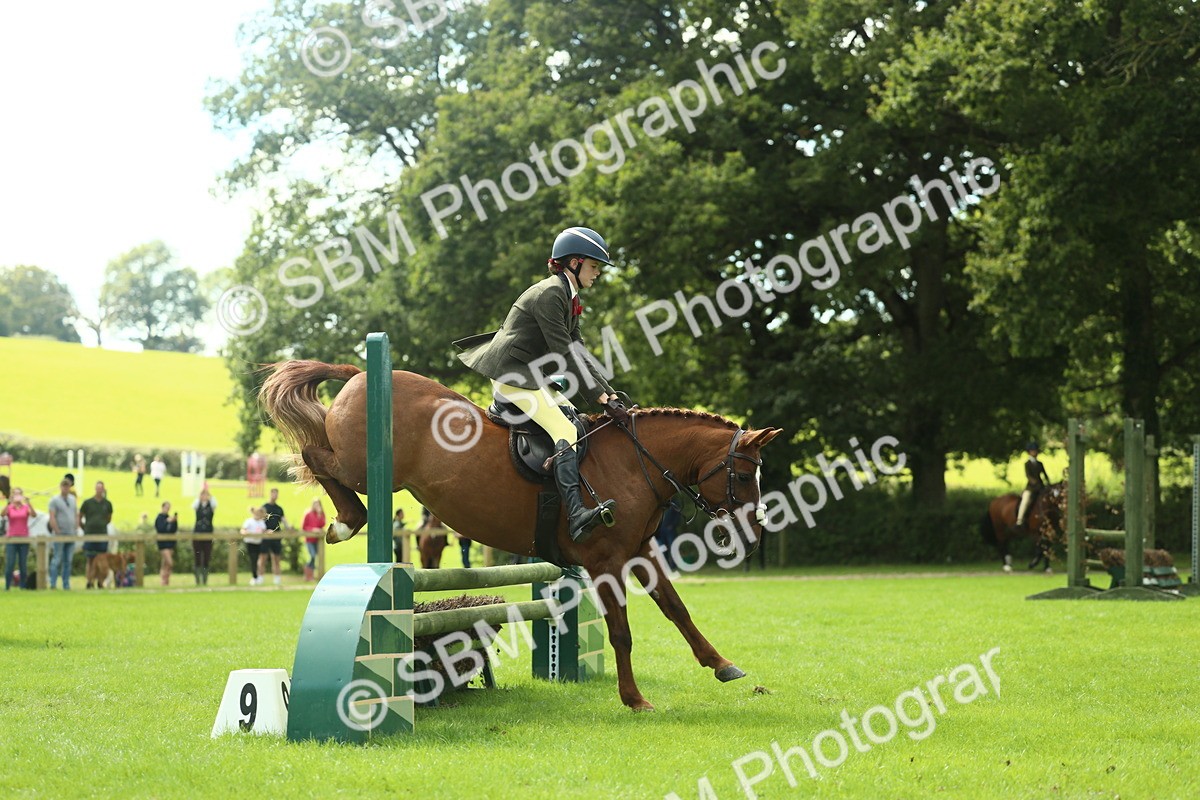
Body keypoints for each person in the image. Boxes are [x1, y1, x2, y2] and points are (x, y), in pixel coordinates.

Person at [454, 226, 628, 543]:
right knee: (565, 431)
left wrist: (610, 393)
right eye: (594, 266)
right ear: (574, 263)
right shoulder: (550, 294)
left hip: (531, 374)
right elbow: (564, 352)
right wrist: (600, 397)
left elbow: (580, 352)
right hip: (513, 375)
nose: (598, 274)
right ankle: (576, 516)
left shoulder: (567, 296)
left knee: (575, 418)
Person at [47, 479, 79, 590]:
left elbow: (76, 514)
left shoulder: (73, 499)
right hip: (60, 534)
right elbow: (52, 516)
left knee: (68, 561)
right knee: (57, 559)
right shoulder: (54, 500)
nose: (66, 488)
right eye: (64, 486)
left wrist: (76, 527)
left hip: (71, 533)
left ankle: (66, 584)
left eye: (67, 486)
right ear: (60, 487)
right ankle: (53, 583)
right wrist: (57, 530)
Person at [79, 481, 112, 589]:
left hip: (102, 534)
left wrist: (102, 525)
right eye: (97, 488)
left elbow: (109, 518)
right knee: (90, 559)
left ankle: (100, 581)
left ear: (103, 489)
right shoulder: (87, 503)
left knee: (102, 559)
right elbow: (80, 516)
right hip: (90, 534)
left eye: (101, 488)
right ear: (95, 489)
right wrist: (85, 528)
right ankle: (89, 581)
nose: (99, 490)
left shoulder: (107, 504)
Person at [3, 488, 37, 590]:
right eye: (15, 494)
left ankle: (23, 586)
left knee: (23, 564)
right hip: (11, 539)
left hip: (23, 538)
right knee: (10, 563)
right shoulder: (10, 508)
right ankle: (7, 586)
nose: (17, 496)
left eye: (19, 494)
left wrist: (28, 502)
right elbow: (2, 514)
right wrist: (9, 503)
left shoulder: (25, 507)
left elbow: (34, 515)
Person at [1015, 440, 1052, 529]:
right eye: (1033, 451)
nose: (1035, 452)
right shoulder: (1027, 464)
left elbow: (1044, 474)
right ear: (1029, 452)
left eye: (1036, 451)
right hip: (1031, 487)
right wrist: (1035, 482)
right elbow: (1028, 476)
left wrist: (1048, 483)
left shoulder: (1040, 463)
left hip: (1041, 486)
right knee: (1026, 499)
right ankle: (1020, 520)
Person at [260, 488, 288, 586]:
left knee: (276, 558)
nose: (275, 496)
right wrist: (265, 531)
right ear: (270, 494)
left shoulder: (279, 509)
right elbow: (260, 521)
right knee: (263, 557)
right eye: (273, 494)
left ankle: (277, 579)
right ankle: (260, 578)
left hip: (276, 536)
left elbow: (284, 520)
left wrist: (289, 527)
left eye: (276, 494)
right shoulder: (264, 507)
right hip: (266, 536)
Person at [192, 489, 217, 586]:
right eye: (203, 495)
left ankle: (205, 579)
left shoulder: (211, 504)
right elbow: (194, 505)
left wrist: (210, 497)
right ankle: (198, 579)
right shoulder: (197, 504)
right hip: (198, 533)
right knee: (197, 557)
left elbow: (215, 504)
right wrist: (199, 498)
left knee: (207, 556)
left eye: (206, 495)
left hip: (208, 533)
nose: (204, 497)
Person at [241, 506, 267, 586]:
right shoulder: (249, 521)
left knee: (259, 560)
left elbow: (263, 531)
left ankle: (258, 576)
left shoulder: (261, 522)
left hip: (258, 543)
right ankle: (255, 576)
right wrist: (245, 533)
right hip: (251, 543)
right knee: (253, 560)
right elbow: (243, 530)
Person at [654, 496, 682, 571]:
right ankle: (665, 565)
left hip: (670, 529)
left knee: (673, 546)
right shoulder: (662, 502)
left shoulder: (675, 503)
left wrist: (672, 525)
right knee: (663, 548)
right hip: (661, 529)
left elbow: (678, 515)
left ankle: (673, 566)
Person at [300, 499, 325, 581]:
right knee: (313, 555)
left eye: (318, 505)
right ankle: (308, 574)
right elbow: (304, 527)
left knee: (314, 557)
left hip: (317, 540)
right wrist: (313, 529)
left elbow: (322, 524)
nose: (317, 506)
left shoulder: (321, 514)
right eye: (315, 504)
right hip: (309, 540)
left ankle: (310, 576)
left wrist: (319, 514)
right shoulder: (308, 514)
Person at [155, 502, 179, 586]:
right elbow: (160, 529)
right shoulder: (159, 518)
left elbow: (173, 530)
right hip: (163, 544)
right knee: (169, 562)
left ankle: (165, 581)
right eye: (166, 507)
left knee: (165, 564)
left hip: (170, 544)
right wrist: (167, 521)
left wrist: (174, 521)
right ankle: (163, 579)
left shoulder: (169, 517)